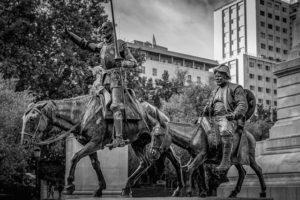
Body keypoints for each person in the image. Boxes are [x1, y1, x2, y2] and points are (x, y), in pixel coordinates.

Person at [58, 21, 137, 148]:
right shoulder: (102, 46)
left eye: (105, 28)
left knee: (116, 106)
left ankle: (119, 138)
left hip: (116, 79)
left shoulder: (120, 44)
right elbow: (85, 44)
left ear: (112, 30)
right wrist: (69, 34)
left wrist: (122, 63)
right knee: (91, 103)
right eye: (101, 29)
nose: (102, 31)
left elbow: (133, 62)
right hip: (103, 80)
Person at [205, 64, 248, 171]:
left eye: (219, 76)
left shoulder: (236, 88)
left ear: (226, 76)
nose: (217, 78)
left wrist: (233, 115)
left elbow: (242, 105)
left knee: (224, 130)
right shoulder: (215, 91)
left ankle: (225, 161)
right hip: (214, 118)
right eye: (216, 77)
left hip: (228, 118)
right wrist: (206, 109)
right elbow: (210, 104)